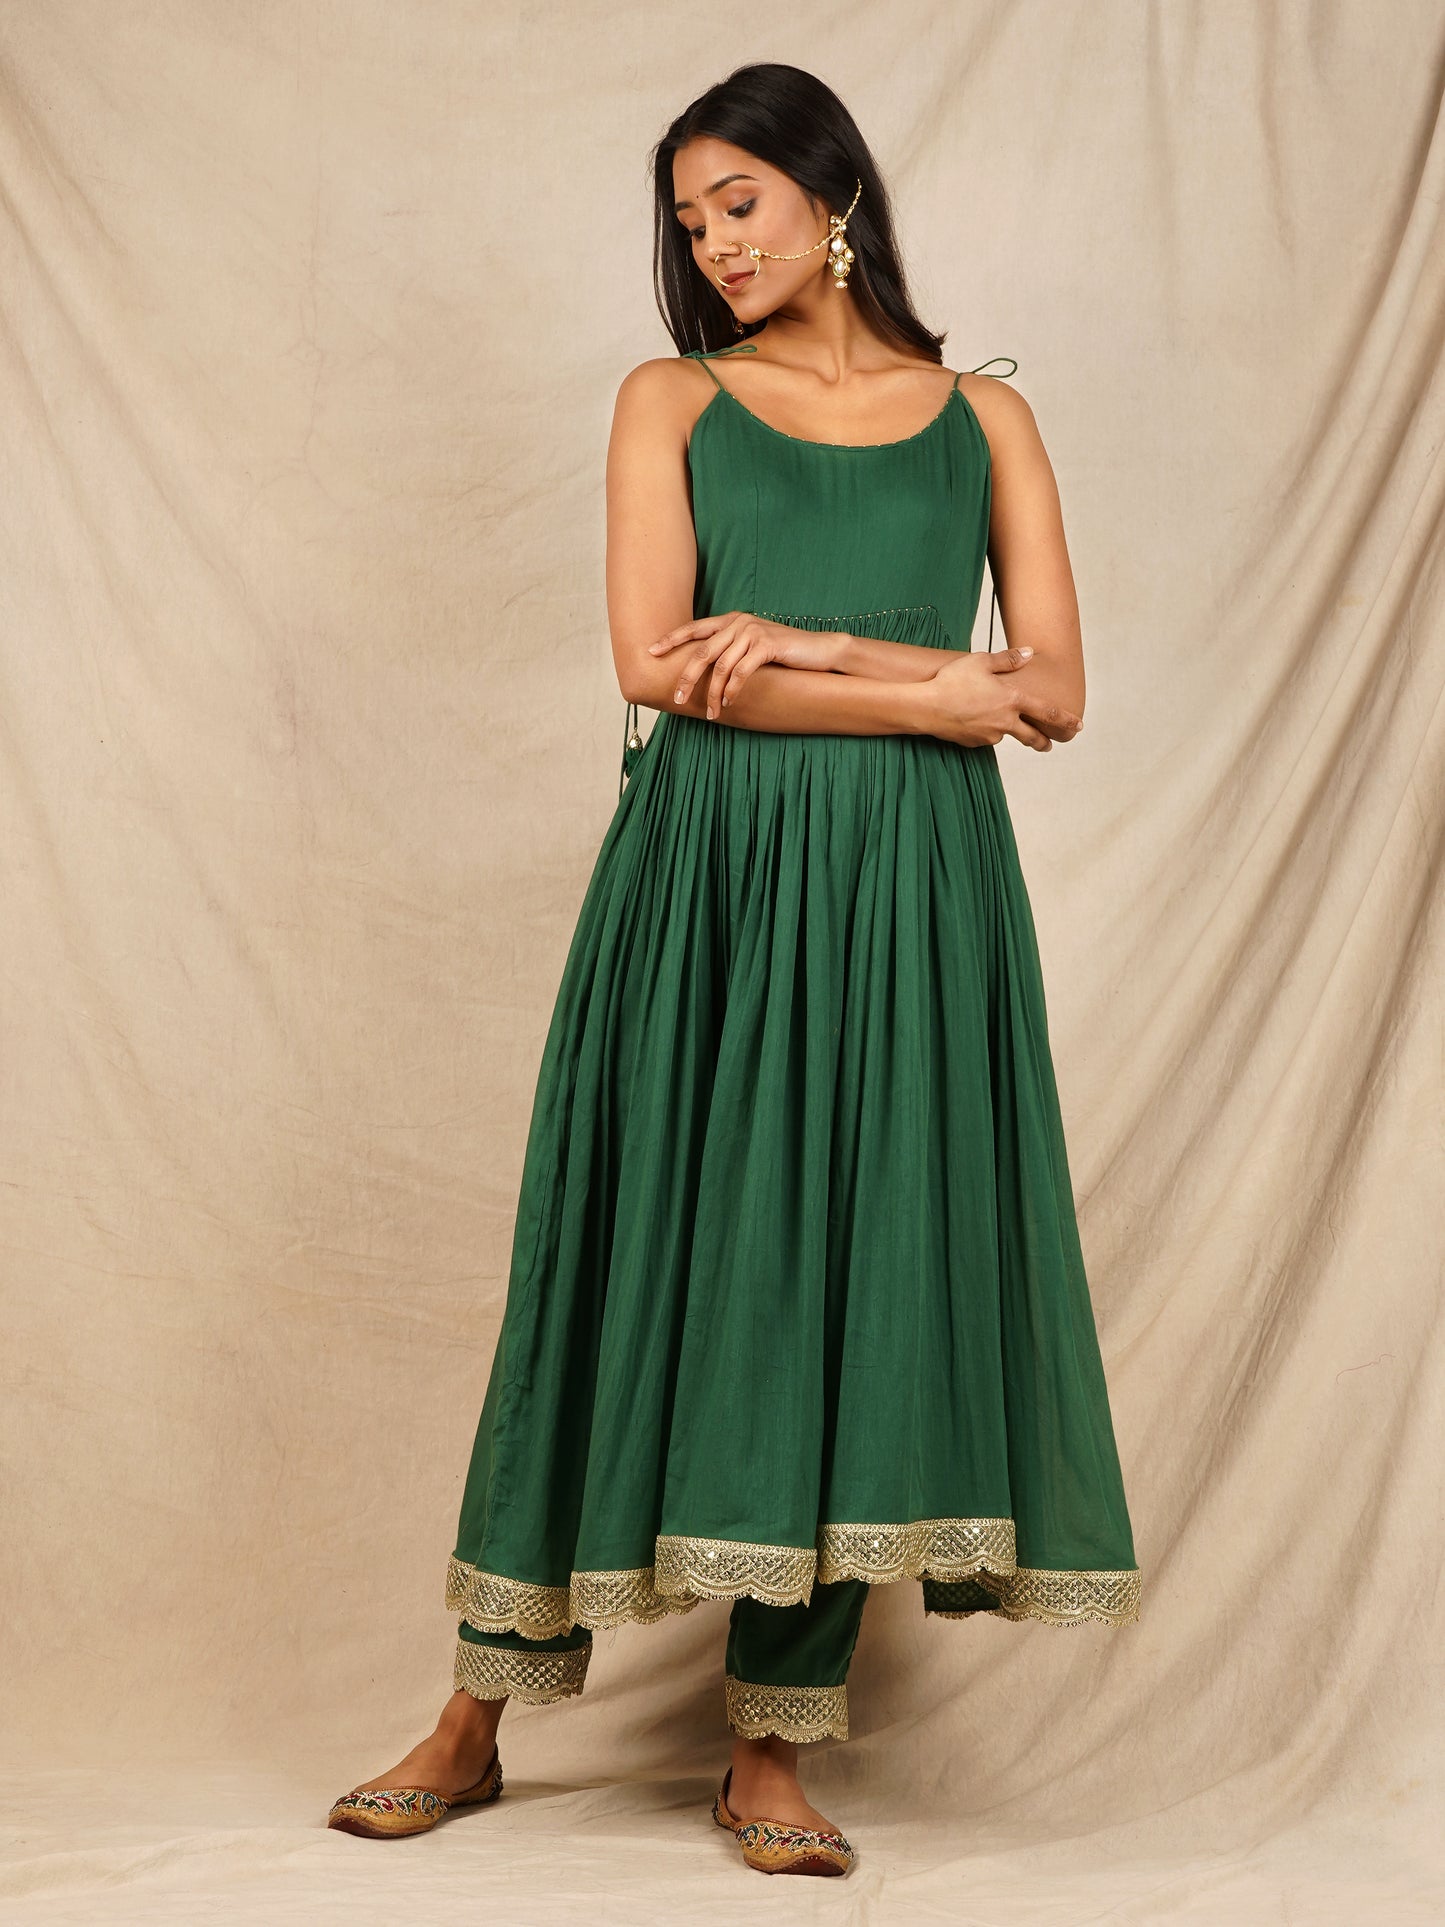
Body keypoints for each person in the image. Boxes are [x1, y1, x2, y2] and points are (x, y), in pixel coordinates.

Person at [326, 61, 1141, 1878]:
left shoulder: (984, 419)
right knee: (625, 1254)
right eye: (688, 220)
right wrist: (933, 688)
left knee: (857, 1267)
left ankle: (771, 1747)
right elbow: (657, 663)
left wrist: (820, 647)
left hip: (914, 895)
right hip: (708, 876)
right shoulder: (671, 400)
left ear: (829, 195)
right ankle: (474, 1713)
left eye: (738, 204)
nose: (710, 244)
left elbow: (1056, 693)